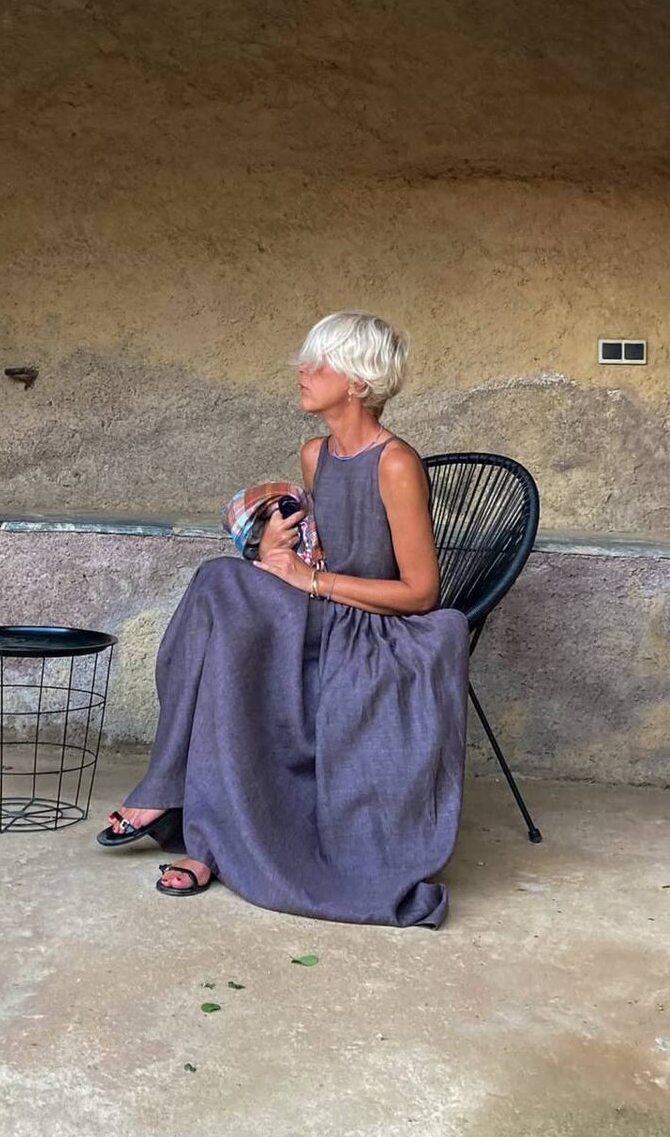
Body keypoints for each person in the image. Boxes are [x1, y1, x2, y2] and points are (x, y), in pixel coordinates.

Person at [97, 311, 469, 927]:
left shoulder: (396, 463)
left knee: (220, 595)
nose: (302, 369)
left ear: (357, 382)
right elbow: (317, 551)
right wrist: (277, 549)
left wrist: (312, 581)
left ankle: (175, 804)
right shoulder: (314, 454)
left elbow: (421, 592)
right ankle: (203, 829)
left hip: (371, 626)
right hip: (317, 610)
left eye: (319, 362)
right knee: (223, 597)